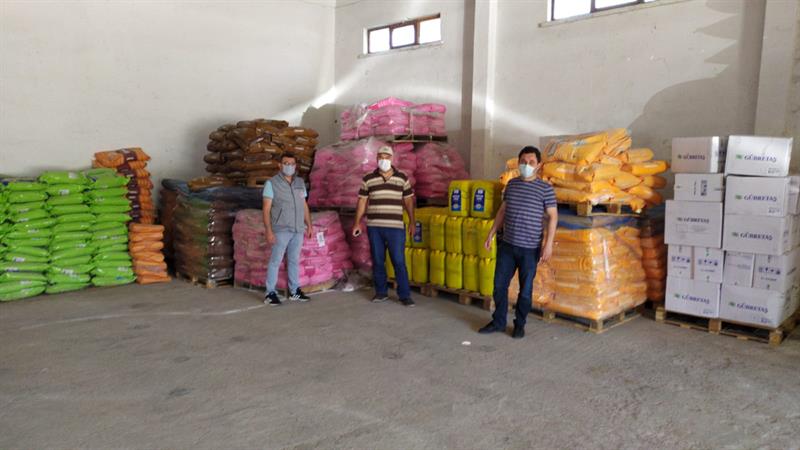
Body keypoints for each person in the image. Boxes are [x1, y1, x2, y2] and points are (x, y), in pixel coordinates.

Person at [478, 146, 557, 338]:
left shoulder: (545, 189)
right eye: (523, 162)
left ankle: (519, 324)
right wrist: (491, 232)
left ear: (538, 165)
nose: (526, 165)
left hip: (530, 249)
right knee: (499, 286)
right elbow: (502, 211)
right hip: (507, 245)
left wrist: (548, 244)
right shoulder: (512, 185)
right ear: (518, 163)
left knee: (525, 291)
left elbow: (553, 217)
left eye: (531, 162)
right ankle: (498, 322)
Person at [352, 146, 416, 307]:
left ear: (392, 159)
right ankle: (381, 292)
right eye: (380, 157)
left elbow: (408, 200)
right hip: (375, 227)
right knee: (378, 260)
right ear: (376, 159)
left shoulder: (402, 177)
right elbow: (362, 201)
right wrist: (357, 222)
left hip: (395, 227)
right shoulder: (368, 178)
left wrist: (412, 221)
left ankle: (404, 295)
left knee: (399, 261)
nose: (383, 160)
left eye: (386, 157)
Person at [262, 153, 314, 306]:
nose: (289, 166)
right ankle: (270, 293)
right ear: (280, 165)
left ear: (295, 166)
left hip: (298, 229)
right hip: (281, 229)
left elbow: (304, 205)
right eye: (286, 163)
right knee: (275, 261)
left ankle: (294, 291)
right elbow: (266, 209)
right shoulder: (271, 183)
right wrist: (268, 230)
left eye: (292, 164)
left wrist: (309, 225)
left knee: (293, 260)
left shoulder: (300, 182)